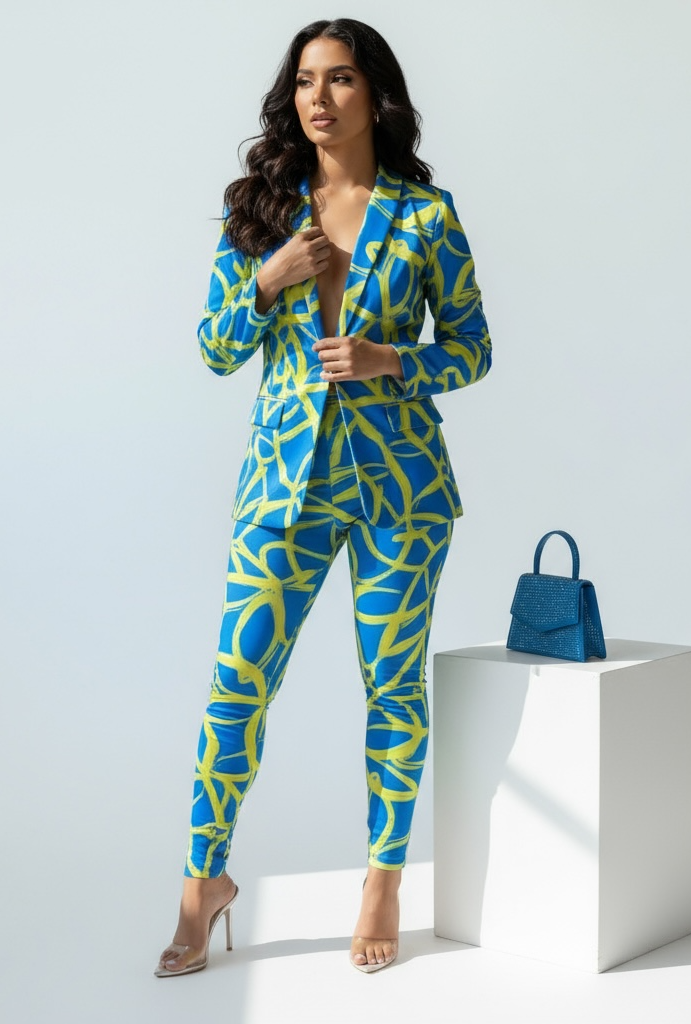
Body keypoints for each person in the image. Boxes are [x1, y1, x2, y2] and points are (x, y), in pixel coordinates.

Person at [157, 17, 491, 977]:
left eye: (340, 78)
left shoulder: (427, 216)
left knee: (393, 687)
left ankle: (383, 880)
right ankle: (202, 882)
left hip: (400, 492)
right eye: (306, 80)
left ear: (374, 94)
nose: (319, 97)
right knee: (238, 684)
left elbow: (473, 347)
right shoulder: (262, 211)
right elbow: (215, 349)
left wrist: (395, 360)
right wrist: (268, 280)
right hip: (284, 490)